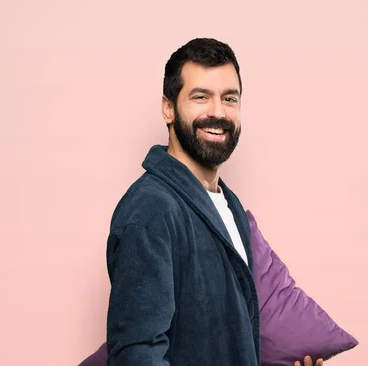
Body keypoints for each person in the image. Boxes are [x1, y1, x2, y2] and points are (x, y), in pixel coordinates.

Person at [105, 38, 323, 366]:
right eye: (201, 97)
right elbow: (137, 355)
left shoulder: (228, 206)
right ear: (168, 108)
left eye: (229, 98)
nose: (218, 112)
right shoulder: (151, 211)